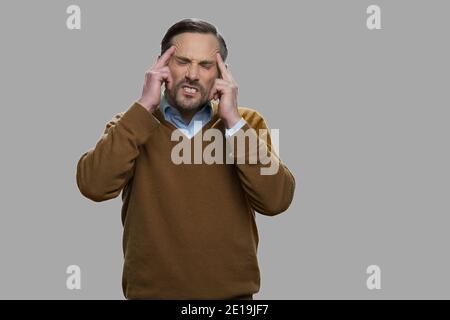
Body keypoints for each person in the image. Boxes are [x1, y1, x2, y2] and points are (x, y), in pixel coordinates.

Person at [76, 18, 296, 300]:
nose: (192, 74)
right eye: (182, 61)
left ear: (220, 74)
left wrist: (233, 121)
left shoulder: (248, 124)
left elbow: (276, 200)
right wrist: (144, 106)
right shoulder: (130, 124)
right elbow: (93, 185)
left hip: (232, 301)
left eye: (205, 65)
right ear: (162, 65)